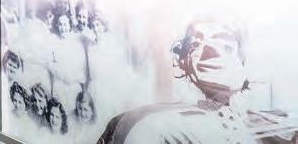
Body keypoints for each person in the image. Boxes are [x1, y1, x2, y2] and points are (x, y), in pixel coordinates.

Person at [97, 21, 298, 144]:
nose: (209, 50)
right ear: (185, 62)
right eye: (195, 44)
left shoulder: (277, 126)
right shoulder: (158, 127)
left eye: (224, 43)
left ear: (244, 61)